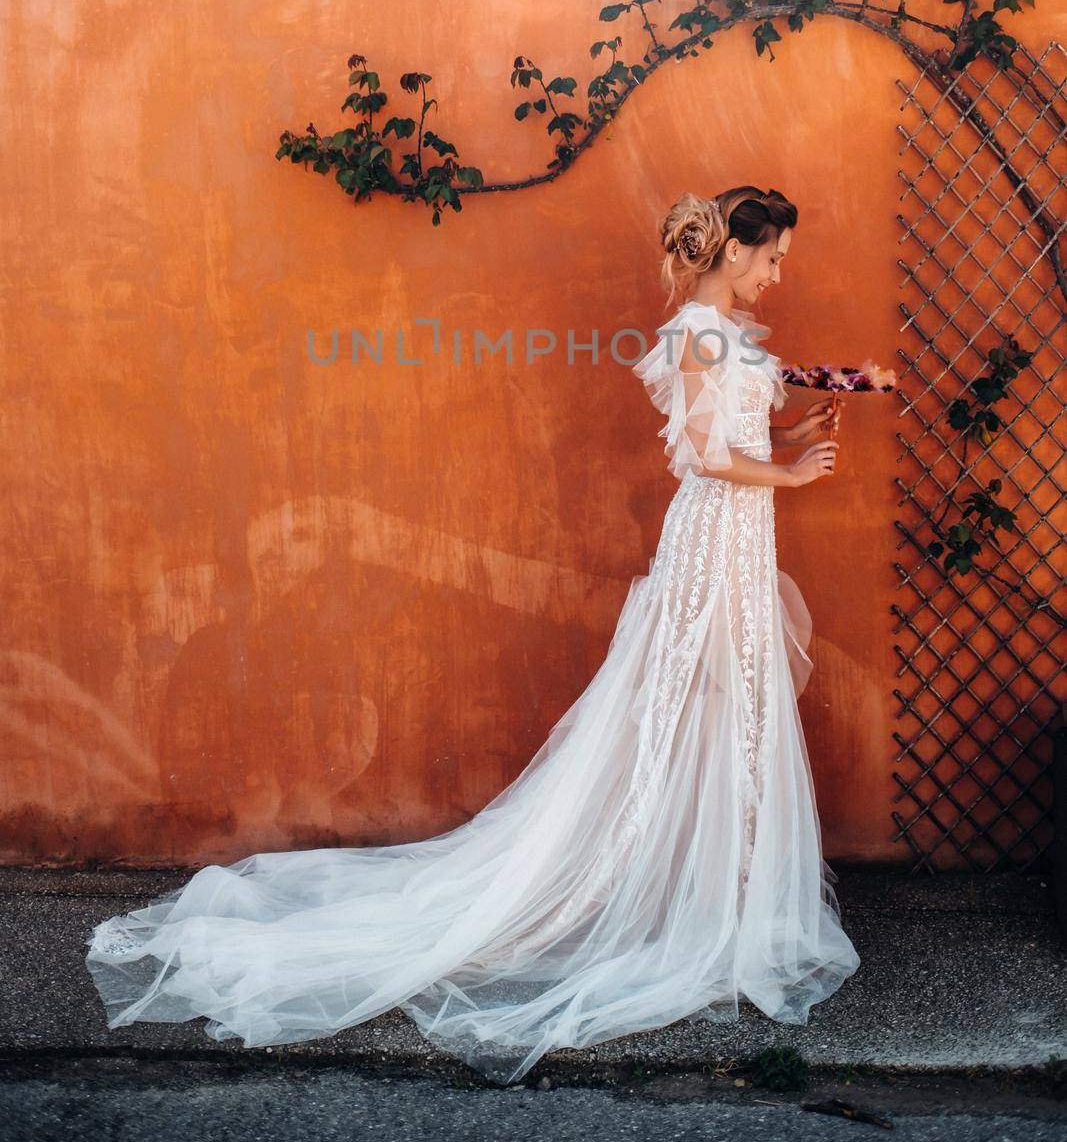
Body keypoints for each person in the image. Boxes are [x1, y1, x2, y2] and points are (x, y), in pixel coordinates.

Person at [84, 184, 860, 1084]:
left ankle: (729, 895)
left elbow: (734, 428)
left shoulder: (725, 334)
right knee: (684, 707)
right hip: (713, 536)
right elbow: (703, 455)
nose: (777, 273)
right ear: (732, 253)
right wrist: (792, 474)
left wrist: (790, 431)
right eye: (771, 257)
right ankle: (672, 893)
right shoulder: (694, 330)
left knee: (741, 704)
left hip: (740, 532)